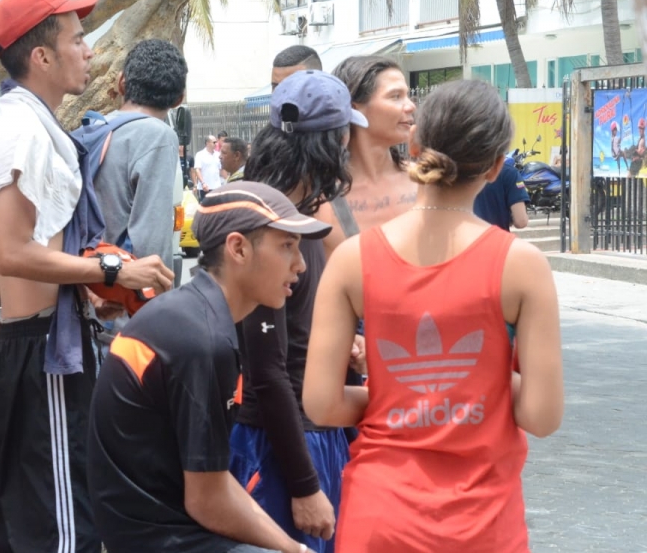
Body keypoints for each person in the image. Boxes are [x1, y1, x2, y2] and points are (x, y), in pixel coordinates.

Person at [303, 79, 564, 552]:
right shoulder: (522, 266)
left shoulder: (353, 258)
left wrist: (396, 392)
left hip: (379, 517)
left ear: (416, 145)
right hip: (484, 523)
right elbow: (542, 417)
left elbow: (321, 405)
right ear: (496, 167)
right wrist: (476, 383)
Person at [0, 0, 174, 553]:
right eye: (78, 39)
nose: (89, 51)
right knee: (64, 533)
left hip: (32, 347)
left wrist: (91, 285)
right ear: (41, 57)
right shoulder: (25, 130)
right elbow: (11, 252)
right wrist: (112, 271)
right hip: (41, 359)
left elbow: (7, 250)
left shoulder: (25, 123)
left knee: (13, 529)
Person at [88, 181, 332, 553]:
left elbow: (213, 481)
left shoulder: (194, 316)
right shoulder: (202, 340)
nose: (299, 265)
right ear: (238, 248)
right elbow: (207, 501)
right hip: (162, 539)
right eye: (287, 246)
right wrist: (294, 550)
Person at [230, 71, 358, 553]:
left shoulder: (298, 211)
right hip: (282, 441)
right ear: (333, 141)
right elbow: (266, 370)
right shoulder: (271, 221)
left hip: (312, 434)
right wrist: (304, 485)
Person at [94, 38, 187, 268]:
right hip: (122, 285)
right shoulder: (159, 135)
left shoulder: (94, 129)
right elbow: (151, 236)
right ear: (178, 99)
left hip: (88, 277)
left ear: (121, 83)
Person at [320, 56, 418, 257]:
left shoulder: (424, 181)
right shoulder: (319, 198)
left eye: (407, 95)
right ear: (354, 108)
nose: (410, 106)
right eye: (395, 96)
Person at [474, 159, 529, 230]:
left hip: (462, 238)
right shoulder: (510, 173)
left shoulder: (459, 171)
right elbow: (521, 222)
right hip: (496, 237)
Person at [192, 135, 223, 200]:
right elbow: (197, 169)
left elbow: (221, 170)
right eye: (214, 142)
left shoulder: (218, 155)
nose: (216, 144)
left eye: (216, 142)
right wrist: (203, 183)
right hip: (205, 188)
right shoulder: (200, 154)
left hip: (217, 187)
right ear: (207, 143)